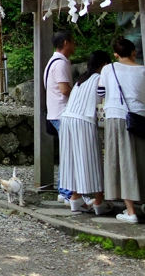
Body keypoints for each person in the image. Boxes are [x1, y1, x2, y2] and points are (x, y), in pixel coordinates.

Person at [58, 50, 113, 214]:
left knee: (73, 159)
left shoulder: (81, 79)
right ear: (104, 65)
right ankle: (98, 200)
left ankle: (75, 197)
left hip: (67, 118)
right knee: (92, 160)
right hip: (84, 120)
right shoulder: (99, 79)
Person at [97, 37, 145, 224]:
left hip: (116, 116)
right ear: (134, 52)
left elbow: (101, 93)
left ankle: (130, 210)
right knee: (139, 159)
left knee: (121, 160)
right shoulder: (142, 70)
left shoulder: (109, 69)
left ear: (116, 54)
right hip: (139, 117)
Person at [45, 30, 75, 200]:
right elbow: (64, 90)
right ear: (66, 43)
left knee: (67, 152)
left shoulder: (53, 61)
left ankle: (64, 188)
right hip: (62, 112)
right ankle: (65, 191)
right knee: (68, 153)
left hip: (55, 111)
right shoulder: (61, 63)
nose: (74, 45)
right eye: (73, 41)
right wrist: (79, 92)